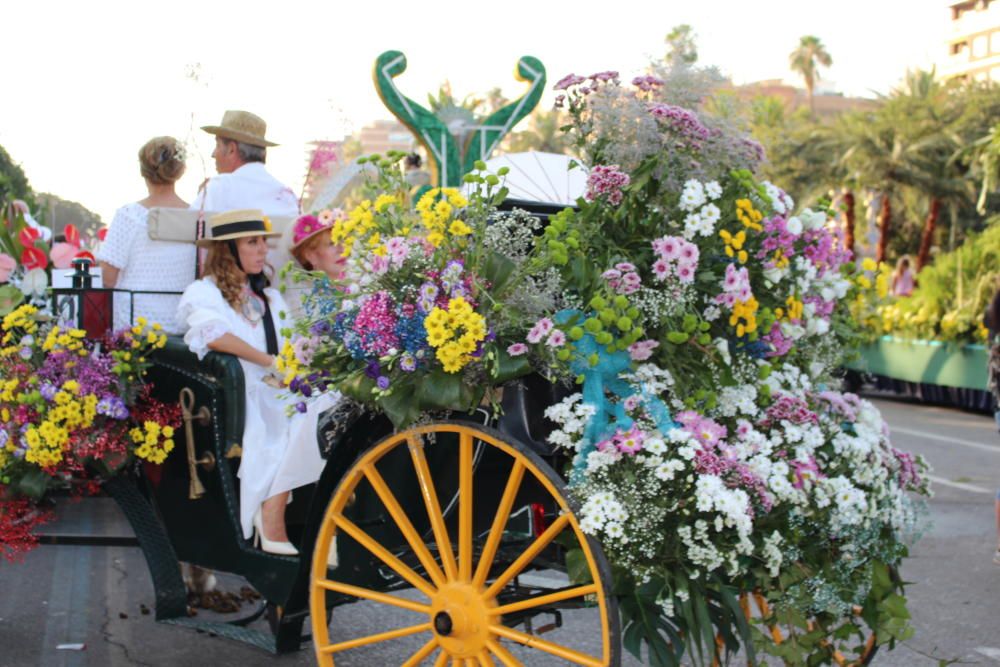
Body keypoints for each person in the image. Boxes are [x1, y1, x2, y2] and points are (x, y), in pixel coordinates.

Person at [175, 209, 339, 555]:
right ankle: (273, 513)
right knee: (292, 414)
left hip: (275, 387)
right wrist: (270, 363)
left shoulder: (269, 297)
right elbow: (214, 335)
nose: (263, 250)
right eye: (253, 242)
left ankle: (326, 516)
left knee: (330, 400)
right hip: (238, 393)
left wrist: (299, 366)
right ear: (227, 250)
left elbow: (291, 346)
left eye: (264, 242)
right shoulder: (204, 293)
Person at [97, 137, 192, 333]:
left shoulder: (129, 216)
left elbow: (107, 278)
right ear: (180, 170)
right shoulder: (196, 217)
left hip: (134, 327)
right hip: (182, 325)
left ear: (142, 171)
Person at [190, 110, 299, 218]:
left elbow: (189, 229)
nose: (213, 154)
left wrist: (204, 195)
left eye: (218, 145)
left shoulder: (220, 187)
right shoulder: (288, 197)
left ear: (231, 149)